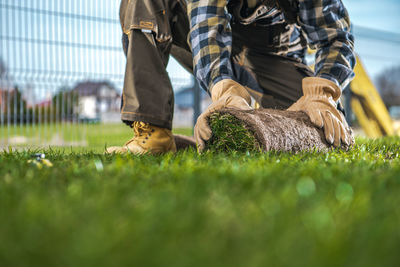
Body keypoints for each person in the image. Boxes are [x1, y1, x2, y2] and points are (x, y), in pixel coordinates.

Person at [107, 0, 355, 154]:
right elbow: (207, 31)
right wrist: (225, 91)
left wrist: (322, 93)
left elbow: (335, 38)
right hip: (211, 42)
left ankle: (254, 127)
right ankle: (154, 135)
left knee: (322, 127)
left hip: (272, 53)